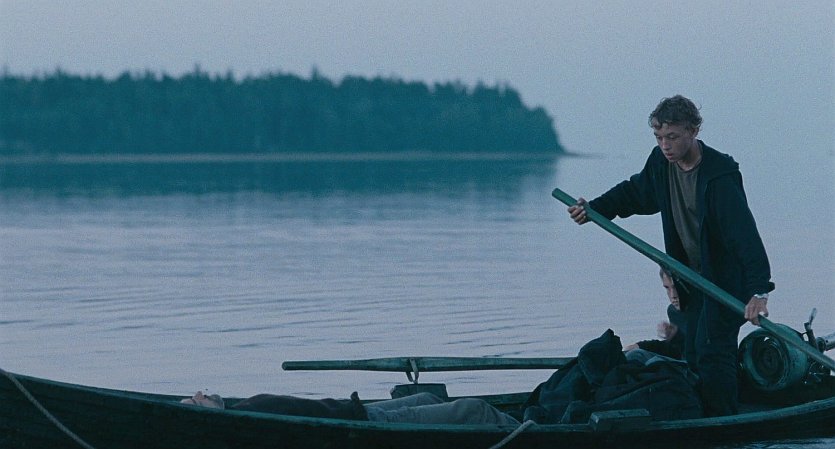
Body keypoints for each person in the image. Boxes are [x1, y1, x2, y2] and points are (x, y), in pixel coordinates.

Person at [566, 95, 774, 416]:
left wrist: (758, 292)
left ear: (694, 131)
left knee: (712, 352)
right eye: (659, 137)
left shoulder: (719, 176)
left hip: (724, 283)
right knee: (691, 350)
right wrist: (594, 209)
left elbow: (744, 237)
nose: (665, 145)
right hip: (690, 280)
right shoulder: (660, 164)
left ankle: (723, 421)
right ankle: (698, 412)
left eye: (673, 136)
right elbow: (635, 193)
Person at [181, 389, 520, 426]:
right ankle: (527, 431)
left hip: (356, 409)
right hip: (368, 420)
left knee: (429, 399)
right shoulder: (248, 417)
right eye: (197, 401)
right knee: (476, 409)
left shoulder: (244, 407)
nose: (199, 393)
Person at [624, 267, 686, 359]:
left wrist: (677, 336)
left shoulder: (701, 312)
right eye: (667, 288)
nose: (673, 295)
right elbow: (675, 350)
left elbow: (693, 351)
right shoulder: (673, 312)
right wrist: (641, 346)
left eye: (675, 287)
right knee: (632, 354)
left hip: (694, 365)